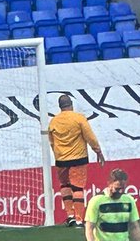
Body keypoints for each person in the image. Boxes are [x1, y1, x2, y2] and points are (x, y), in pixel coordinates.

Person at [49, 92, 105, 226]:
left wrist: (58, 154)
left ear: (60, 107)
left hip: (61, 159)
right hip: (78, 158)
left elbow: (52, 141)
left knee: (64, 186)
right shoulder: (79, 118)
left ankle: (70, 216)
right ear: (71, 105)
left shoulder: (54, 121)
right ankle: (79, 219)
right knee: (78, 188)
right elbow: (89, 136)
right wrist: (97, 150)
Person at [85, 168, 140, 241]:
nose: (120, 191)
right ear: (109, 184)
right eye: (117, 188)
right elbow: (89, 228)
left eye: (123, 188)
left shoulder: (129, 200)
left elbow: (134, 226)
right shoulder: (96, 201)